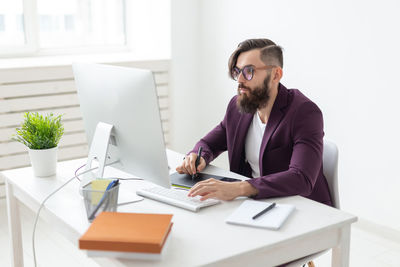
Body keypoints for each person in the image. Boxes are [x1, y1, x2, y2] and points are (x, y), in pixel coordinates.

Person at [176, 38, 332, 206]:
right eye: (238, 71)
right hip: (259, 203)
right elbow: (209, 143)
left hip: (303, 208)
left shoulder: (304, 112)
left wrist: (240, 188)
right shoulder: (239, 106)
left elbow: (301, 178)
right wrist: (197, 157)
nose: (240, 80)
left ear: (275, 75)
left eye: (249, 71)